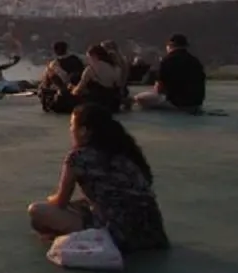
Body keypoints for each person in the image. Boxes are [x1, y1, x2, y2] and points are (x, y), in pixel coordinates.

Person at [28, 103, 169, 252]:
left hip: (117, 235)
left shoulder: (78, 157)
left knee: (36, 212)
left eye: (72, 125)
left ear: (83, 131)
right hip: (153, 233)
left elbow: (61, 201)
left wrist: (51, 199)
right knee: (81, 205)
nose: (70, 130)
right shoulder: (126, 151)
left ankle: (79, 239)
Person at [134, 34, 206, 113]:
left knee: (139, 98)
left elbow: (159, 88)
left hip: (176, 104)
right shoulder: (195, 61)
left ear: (170, 46)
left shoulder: (167, 61)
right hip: (196, 104)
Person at [70, 44, 123, 113]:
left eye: (88, 57)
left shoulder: (91, 69)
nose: (88, 60)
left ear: (94, 56)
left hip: (97, 103)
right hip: (113, 103)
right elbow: (118, 86)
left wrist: (72, 89)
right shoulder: (116, 68)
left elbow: (79, 89)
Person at [38, 41, 86, 114]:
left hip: (61, 97)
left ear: (55, 50)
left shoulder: (53, 64)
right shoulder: (76, 60)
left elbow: (46, 83)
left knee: (42, 88)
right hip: (77, 95)